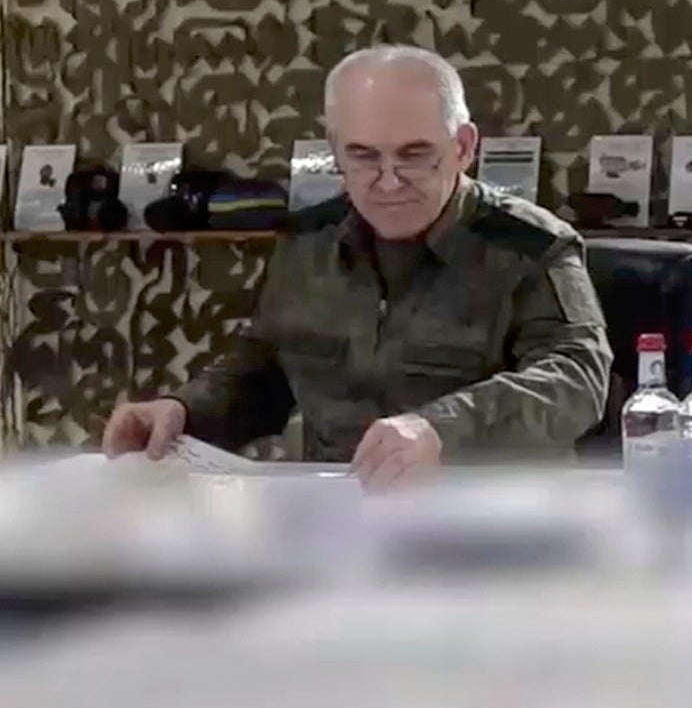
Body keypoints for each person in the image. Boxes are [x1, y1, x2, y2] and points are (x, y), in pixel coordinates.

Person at [101, 46, 611, 490]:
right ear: (334, 150)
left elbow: (576, 379)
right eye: (363, 157)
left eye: (415, 156)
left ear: (462, 147)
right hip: (336, 512)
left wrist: (442, 430)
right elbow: (262, 375)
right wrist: (183, 411)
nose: (388, 183)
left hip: (486, 516)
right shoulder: (308, 244)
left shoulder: (529, 246)